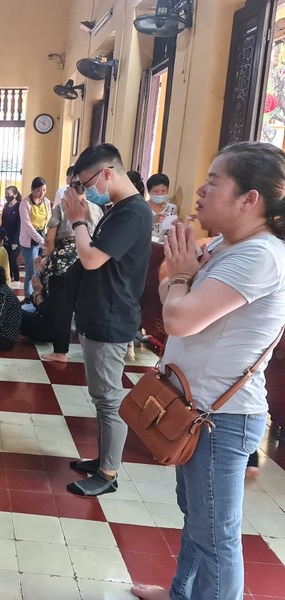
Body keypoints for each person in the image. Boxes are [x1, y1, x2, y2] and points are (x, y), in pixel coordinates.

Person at [130, 142, 285, 600]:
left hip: (223, 418)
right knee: (199, 519)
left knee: (217, 535)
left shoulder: (259, 256)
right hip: (194, 408)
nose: (199, 190)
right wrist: (175, 282)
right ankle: (183, 594)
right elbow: (171, 300)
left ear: (249, 199)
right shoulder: (223, 244)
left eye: (215, 182)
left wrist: (177, 280)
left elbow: (178, 316)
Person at [62, 143, 152, 496]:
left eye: (87, 184)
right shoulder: (119, 210)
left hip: (111, 316)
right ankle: (102, 460)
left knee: (110, 398)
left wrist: (79, 219)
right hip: (98, 312)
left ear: (107, 174)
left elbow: (92, 260)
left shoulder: (134, 213)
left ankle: (109, 473)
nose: (86, 191)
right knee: (101, 395)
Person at [39, 195, 103, 363]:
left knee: (62, 307)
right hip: (90, 258)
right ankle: (92, 349)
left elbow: (50, 238)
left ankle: (60, 352)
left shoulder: (62, 207)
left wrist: (49, 256)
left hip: (64, 260)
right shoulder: (97, 208)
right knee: (86, 306)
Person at [19, 177, 52, 298]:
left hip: (42, 237)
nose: (41, 193)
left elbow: (49, 219)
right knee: (31, 271)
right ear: (32, 189)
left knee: (41, 268)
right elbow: (27, 226)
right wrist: (41, 240)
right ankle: (29, 297)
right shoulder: (25, 203)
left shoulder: (46, 202)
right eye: (39, 190)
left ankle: (38, 295)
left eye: (44, 190)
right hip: (30, 240)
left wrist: (47, 239)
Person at [147, 172, 179, 240]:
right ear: (149, 192)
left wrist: (177, 227)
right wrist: (152, 220)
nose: (160, 194)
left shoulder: (172, 208)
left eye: (163, 191)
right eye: (155, 191)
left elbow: (170, 233)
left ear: (167, 191)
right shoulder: (143, 207)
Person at [1, 185, 22, 280]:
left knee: (12, 259)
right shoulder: (6, 206)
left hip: (16, 238)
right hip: (7, 236)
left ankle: (17, 278)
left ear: (15, 194)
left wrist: (15, 241)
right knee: (6, 258)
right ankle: (10, 276)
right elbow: (3, 222)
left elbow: (19, 225)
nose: (6, 196)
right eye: (5, 194)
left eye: (8, 194)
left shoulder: (19, 206)